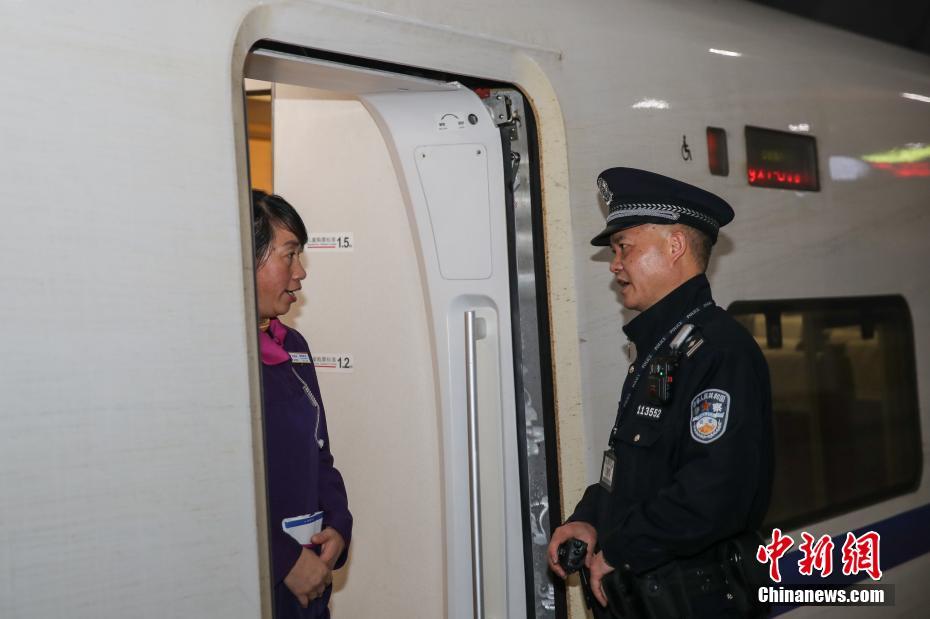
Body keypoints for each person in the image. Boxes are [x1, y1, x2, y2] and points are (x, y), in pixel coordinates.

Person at [548, 168, 773, 618]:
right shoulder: (662, 350)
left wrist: (622, 550)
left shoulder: (720, 351)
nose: (615, 265)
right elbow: (636, 473)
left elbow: (714, 494)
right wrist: (589, 518)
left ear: (675, 246)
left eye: (624, 247)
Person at [253, 190, 352, 618]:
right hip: (260, 581)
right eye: (289, 255)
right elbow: (206, 485)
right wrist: (284, 560)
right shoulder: (214, 361)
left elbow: (320, 454)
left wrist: (338, 526)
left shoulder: (293, 346)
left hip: (310, 585)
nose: (300, 273)